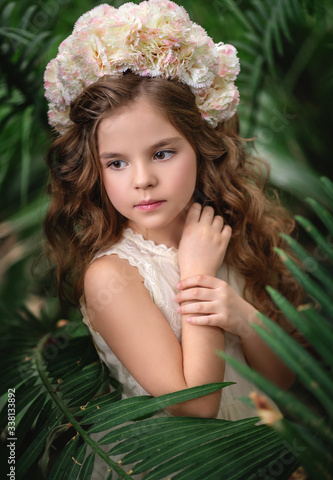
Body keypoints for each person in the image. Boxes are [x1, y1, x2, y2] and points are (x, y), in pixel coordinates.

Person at [44, 0, 303, 424]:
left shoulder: (222, 233)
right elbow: (197, 405)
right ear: (97, 169)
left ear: (200, 148)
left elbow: (283, 378)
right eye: (117, 162)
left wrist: (244, 317)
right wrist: (198, 276)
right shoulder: (113, 275)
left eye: (162, 153)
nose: (142, 179)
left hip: (255, 454)